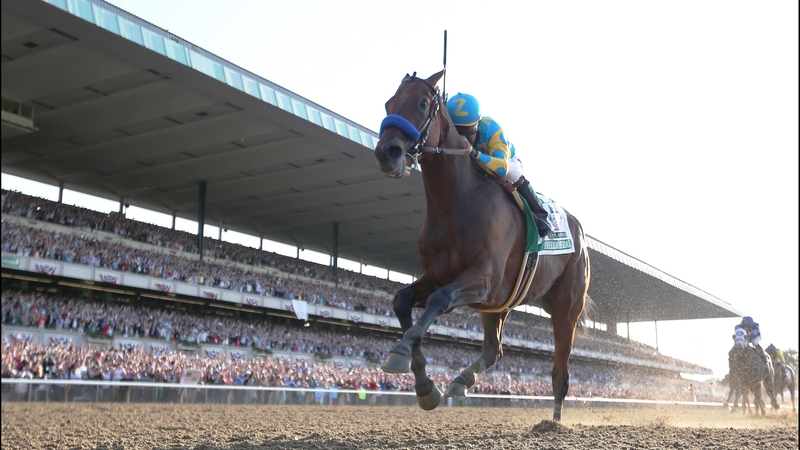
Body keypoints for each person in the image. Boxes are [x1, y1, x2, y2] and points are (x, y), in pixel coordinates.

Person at [445, 93, 552, 242]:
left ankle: (540, 214)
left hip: (506, 162)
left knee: (513, 173)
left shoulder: (493, 130)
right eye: (458, 132)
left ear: (478, 124)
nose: (464, 138)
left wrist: (473, 153)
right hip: (476, 163)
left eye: (469, 131)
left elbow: (501, 169)